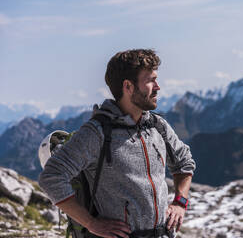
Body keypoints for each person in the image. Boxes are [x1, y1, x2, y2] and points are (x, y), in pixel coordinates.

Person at [38, 49, 196, 238]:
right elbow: (52, 177)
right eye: (150, 80)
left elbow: (184, 162)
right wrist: (91, 224)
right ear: (128, 86)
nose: (158, 87)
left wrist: (180, 202)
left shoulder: (157, 126)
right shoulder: (97, 133)